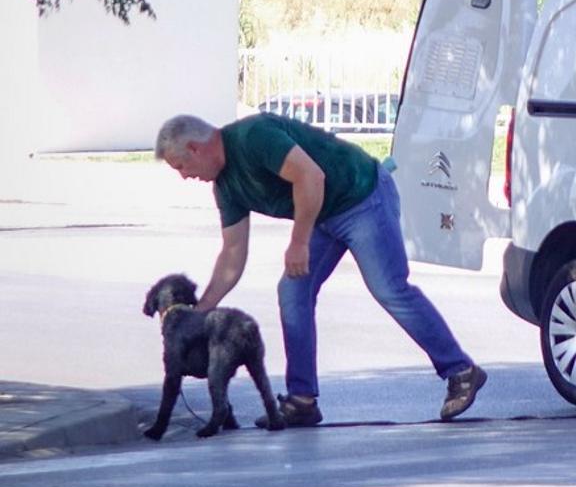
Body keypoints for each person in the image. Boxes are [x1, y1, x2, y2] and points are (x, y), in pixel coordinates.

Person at [154, 112, 486, 427]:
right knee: (292, 290)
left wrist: (299, 243)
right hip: (322, 215)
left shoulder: (253, 137)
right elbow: (233, 253)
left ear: (196, 148)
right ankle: (302, 401)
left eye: (181, 166)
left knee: (388, 288)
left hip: (361, 197)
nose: (185, 176)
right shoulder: (226, 186)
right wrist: (200, 313)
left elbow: (311, 176)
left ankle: (460, 371)